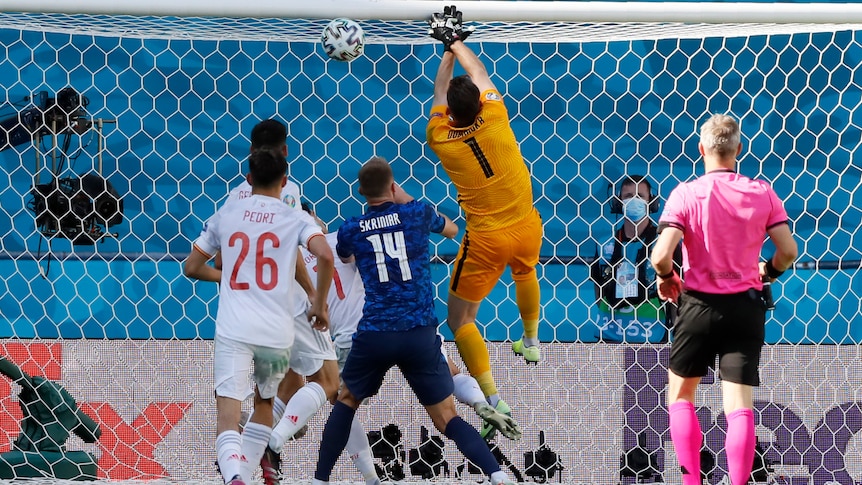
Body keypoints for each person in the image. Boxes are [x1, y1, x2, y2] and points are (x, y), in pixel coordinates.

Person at [312, 156, 519, 485]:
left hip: (376, 331)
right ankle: (496, 472)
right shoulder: (416, 213)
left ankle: (320, 479)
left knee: (347, 400)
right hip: (419, 331)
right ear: (393, 186)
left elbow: (346, 255)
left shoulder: (351, 228)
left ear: (361, 192)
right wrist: (405, 199)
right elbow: (452, 229)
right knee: (446, 417)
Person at [650, 114, 798, 485]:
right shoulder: (762, 191)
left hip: (698, 306)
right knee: (739, 408)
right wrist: (769, 273)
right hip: (745, 308)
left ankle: (691, 482)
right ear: (739, 150)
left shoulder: (686, 193)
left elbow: (658, 257)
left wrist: (668, 278)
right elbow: (788, 251)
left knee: (681, 397)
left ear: (701, 149)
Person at [426, 5, 543, 439]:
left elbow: (440, 96)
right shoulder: (496, 117)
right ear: (479, 103)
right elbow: (482, 75)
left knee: (461, 322)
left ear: (452, 116)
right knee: (526, 270)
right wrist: (456, 42)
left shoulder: (441, 139)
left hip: (487, 238)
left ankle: (493, 399)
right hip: (527, 225)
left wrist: (443, 54)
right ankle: (530, 341)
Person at [184, 149, 334, 485]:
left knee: (229, 414)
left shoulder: (227, 214)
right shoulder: (293, 216)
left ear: (249, 179)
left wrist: (229, 277)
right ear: (285, 183)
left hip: (234, 327)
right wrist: (319, 303)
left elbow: (192, 268)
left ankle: (236, 476)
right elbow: (324, 255)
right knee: (266, 401)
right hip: (275, 330)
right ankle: (253, 469)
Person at [300, 202, 518, 431]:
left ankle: (294, 423)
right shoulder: (342, 237)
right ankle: (481, 403)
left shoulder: (291, 265)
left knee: (341, 402)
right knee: (450, 373)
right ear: (314, 216)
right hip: (400, 320)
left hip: (357, 341)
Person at [221, 119, 344, 485]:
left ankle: (246, 465)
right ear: (286, 152)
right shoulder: (287, 191)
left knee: (281, 389)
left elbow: (218, 263)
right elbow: (292, 254)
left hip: (248, 310)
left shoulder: (232, 198)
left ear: (249, 154)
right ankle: (274, 440)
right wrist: (312, 294)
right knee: (328, 382)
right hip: (286, 301)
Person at [590, 175, 682, 343]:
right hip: (609, 337)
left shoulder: (665, 243)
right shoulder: (604, 244)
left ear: (651, 203)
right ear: (618, 202)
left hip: (651, 337)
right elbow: (598, 291)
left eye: (640, 196)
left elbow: (677, 295)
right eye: (628, 196)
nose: (634, 201)